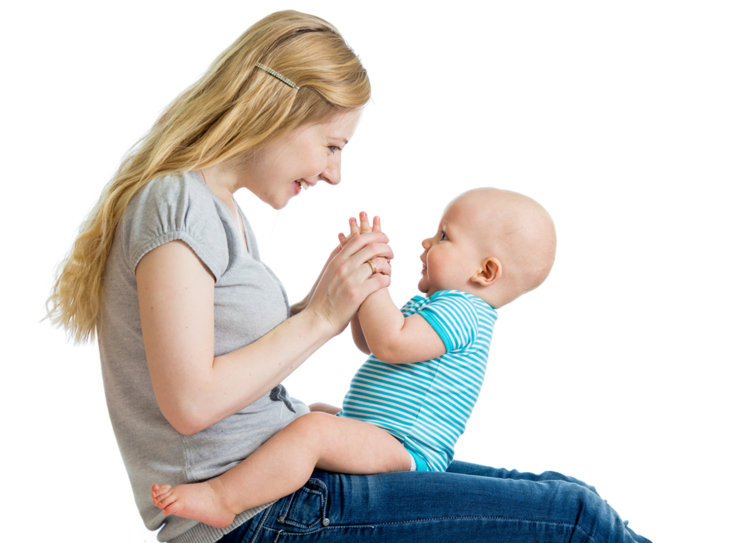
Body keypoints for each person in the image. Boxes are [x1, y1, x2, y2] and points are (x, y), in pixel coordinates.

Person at [48, 9, 651, 543]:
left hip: (283, 493)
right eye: (332, 144)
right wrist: (321, 317)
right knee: (575, 517)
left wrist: (320, 309)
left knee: (559, 492)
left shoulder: (216, 210)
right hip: (263, 517)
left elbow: (226, 363)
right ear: (280, 110)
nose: (335, 173)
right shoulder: (177, 203)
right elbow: (190, 401)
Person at [150, 187, 557, 528]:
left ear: (485, 272)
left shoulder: (463, 310)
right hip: (380, 432)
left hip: (405, 448)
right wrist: (365, 285)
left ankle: (225, 498)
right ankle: (254, 482)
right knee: (316, 416)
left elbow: (390, 343)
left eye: (444, 237)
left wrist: (374, 286)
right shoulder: (440, 307)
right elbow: (370, 340)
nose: (427, 243)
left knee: (311, 431)